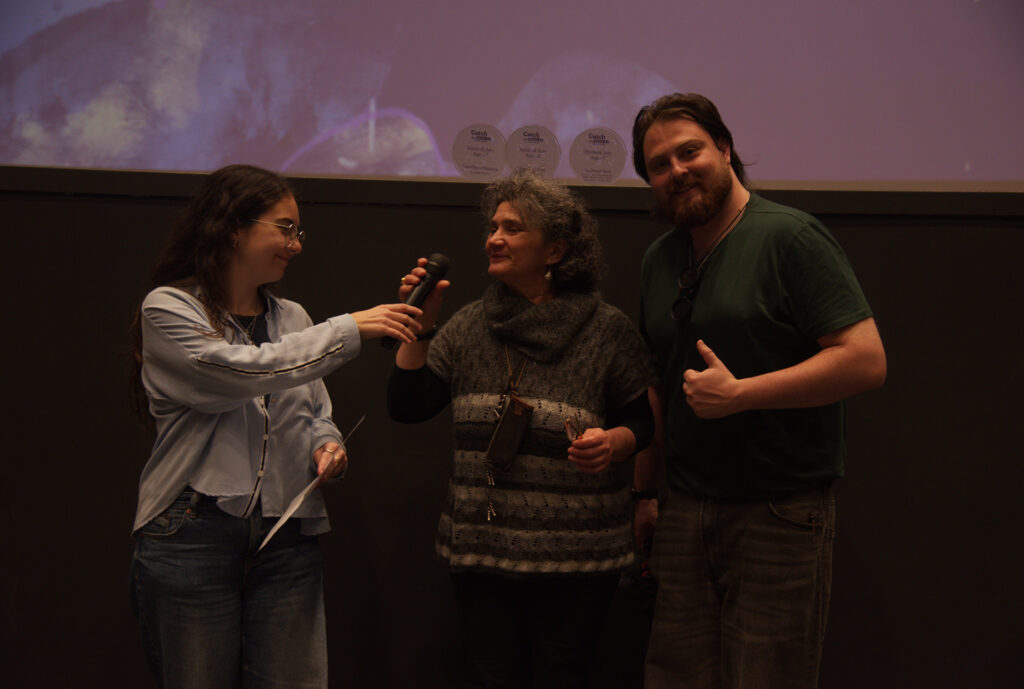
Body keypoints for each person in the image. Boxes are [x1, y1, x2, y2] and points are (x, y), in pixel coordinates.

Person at [127, 164, 422, 689]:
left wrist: (326, 444)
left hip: (286, 535)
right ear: (233, 227)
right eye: (285, 229)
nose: (296, 244)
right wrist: (347, 329)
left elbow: (314, 410)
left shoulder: (292, 317)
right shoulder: (168, 307)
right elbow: (235, 374)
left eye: (298, 231)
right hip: (193, 530)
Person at [630, 94, 887, 689]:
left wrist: (742, 394)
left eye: (689, 152)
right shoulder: (659, 260)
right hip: (684, 510)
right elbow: (656, 385)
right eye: (659, 165)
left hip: (779, 511)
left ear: (724, 149)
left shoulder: (790, 238)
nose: (677, 171)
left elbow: (865, 360)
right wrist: (644, 493)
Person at [387, 171, 656, 689]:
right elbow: (407, 406)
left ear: (555, 250)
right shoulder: (469, 325)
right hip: (483, 548)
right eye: (492, 227)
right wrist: (421, 327)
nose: (494, 238)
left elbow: (640, 422)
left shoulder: (607, 330)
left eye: (513, 228)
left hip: (578, 555)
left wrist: (613, 443)